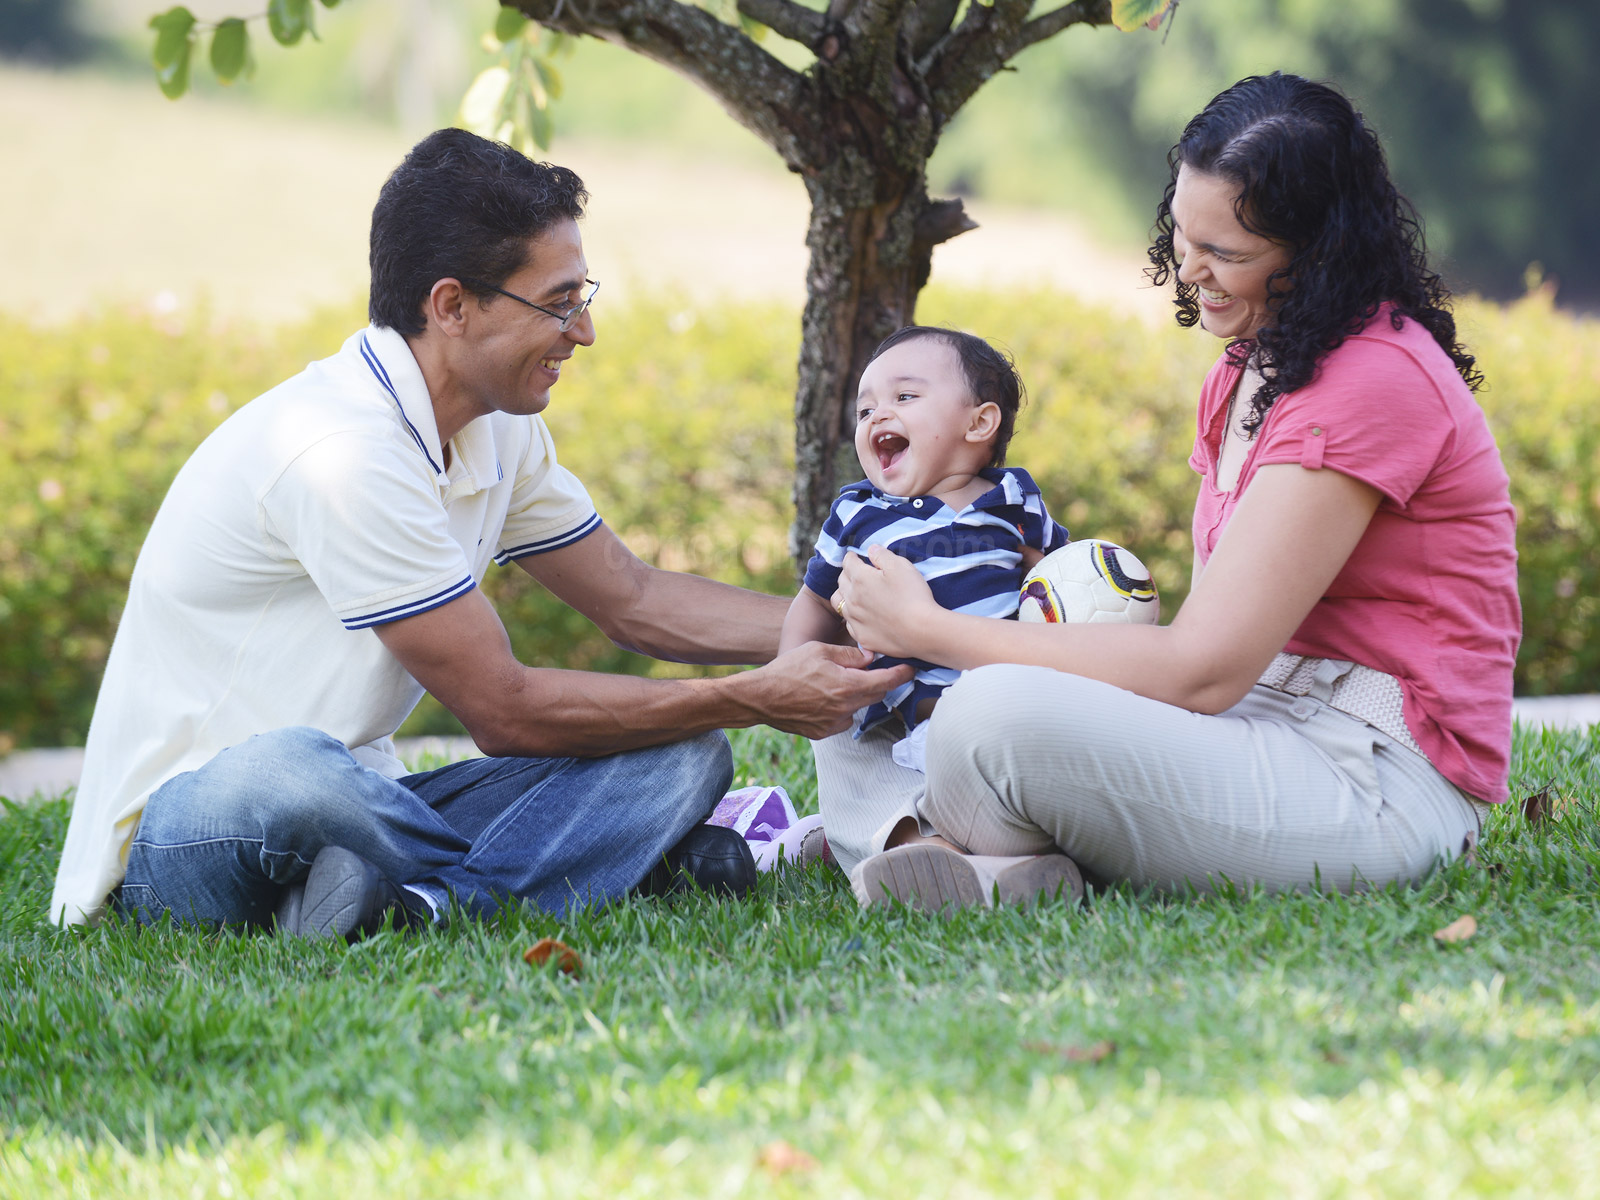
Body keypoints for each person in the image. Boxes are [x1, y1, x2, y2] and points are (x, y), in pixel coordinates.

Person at [49, 128, 908, 937]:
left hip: (375, 808)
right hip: (196, 832)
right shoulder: (343, 454)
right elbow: (504, 711)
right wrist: (753, 694)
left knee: (682, 761)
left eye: (584, 297)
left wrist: (868, 621)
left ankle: (412, 902)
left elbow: (635, 600)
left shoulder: (498, 424)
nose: (585, 330)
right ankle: (602, 867)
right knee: (293, 773)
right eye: (559, 303)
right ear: (451, 306)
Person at [828, 72, 1521, 911]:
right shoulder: (1251, 367)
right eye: (1182, 236)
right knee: (847, 688)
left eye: (1225, 254)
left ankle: (914, 840)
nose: (1190, 271)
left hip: (1371, 777)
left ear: (1319, 252)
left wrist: (933, 628)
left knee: (986, 713)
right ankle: (967, 862)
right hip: (1257, 726)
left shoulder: (1374, 381)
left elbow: (1203, 671)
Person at [778, 326, 1069, 866]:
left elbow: (1061, 578)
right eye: (865, 411)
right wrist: (789, 669)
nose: (878, 417)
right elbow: (816, 601)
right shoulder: (858, 515)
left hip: (1011, 712)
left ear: (979, 423)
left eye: (905, 397)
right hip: (906, 725)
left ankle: (1001, 853)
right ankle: (924, 853)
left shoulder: (1013, 500)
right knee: (848, 758)